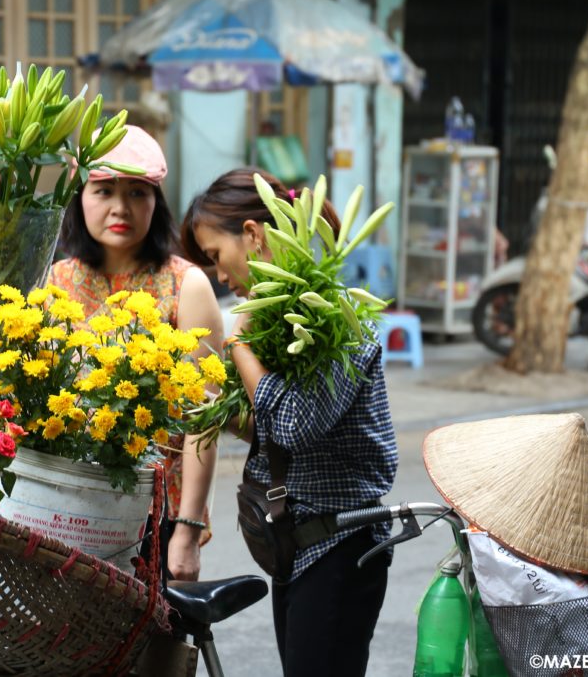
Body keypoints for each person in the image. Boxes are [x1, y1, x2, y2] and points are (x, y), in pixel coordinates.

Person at [180, 168, 398, 676]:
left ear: (254, 235)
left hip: (343, 550)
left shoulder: (336, 320)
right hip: (298, 548)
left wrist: (238, 346)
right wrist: (203, 404)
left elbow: (295, 424)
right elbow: (271, 429)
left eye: (216, 256)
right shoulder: (279, 317)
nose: (219, 277)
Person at [49, 125, 224, 581]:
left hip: (160, 515)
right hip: (72, 506)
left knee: (156, 648)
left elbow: (205, 418)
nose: (120, 207)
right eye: (103, 190)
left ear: (156, 201)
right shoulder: (55, 284)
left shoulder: (186, 285)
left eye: (137, 193)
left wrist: (187, 530)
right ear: (79, 196)